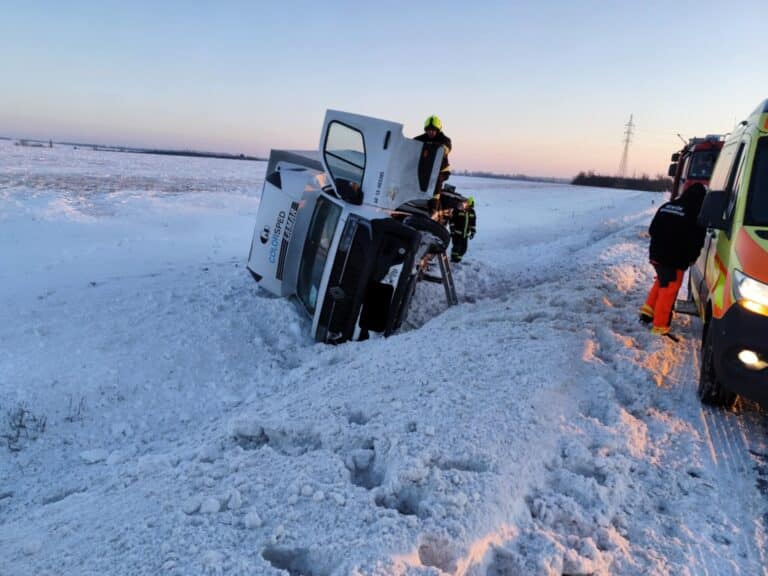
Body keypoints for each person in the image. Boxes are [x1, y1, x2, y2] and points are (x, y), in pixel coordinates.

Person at [640, 183, 707, 336]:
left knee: (662, 281)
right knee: (669, 289)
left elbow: (652, 229)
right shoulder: (695, 213)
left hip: (656, 256)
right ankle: (660, 326)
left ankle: (647, 312)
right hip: (674, 260)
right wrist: (692, 258)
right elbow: (697, 240)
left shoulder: (667, 206)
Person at [414, 115, 452, 210]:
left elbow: (447, 147)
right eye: (428, 130)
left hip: (441, 171)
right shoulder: (421, 138)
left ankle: (434, 208)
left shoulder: (444, 139)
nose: (430, 132)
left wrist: (440, 147)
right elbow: (411, 145)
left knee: (436, 181)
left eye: (433, 130)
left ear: (438, 130)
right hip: (425, 169)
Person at [449, 196, 476, 263]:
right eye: (469, 205)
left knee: (464, 249)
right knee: (456, 248)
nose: (470, 207)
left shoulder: (472, 212)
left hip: (465, 234)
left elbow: (473, 223)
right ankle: (454, 260)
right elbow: (452, 220)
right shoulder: (458, 210)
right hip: (457, 234)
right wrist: (452, 230)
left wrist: (473, 232)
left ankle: (458, 260)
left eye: (471, 206)